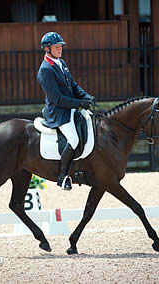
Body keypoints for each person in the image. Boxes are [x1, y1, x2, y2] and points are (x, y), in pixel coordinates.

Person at [37, 32, 95, 190]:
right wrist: (79, 103)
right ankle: (62, 177)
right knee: (74, 140)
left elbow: (73, 86)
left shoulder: (60, 63)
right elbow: (57, 99)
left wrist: (86, 96)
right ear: (47, 49)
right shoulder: (45, 70)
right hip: (58, 112)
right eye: (57, 47)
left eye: (60, 46)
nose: (60, 49)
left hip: (70, 108)